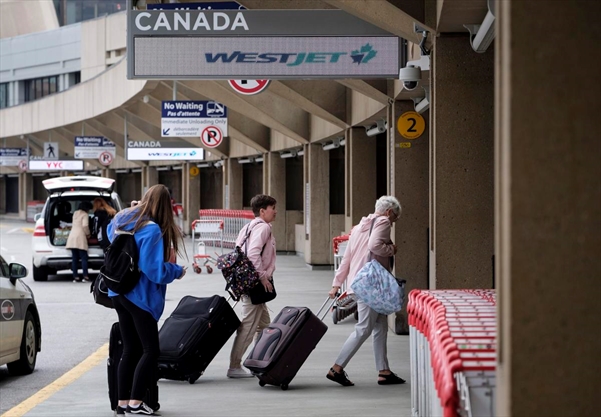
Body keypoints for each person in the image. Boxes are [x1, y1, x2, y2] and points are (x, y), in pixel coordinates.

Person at [108, 185, 186, 416]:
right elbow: (154, 272)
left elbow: (107, 235)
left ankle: (122, 403)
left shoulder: (122, 219)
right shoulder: (152, 230)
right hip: (140, 297)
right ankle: (136, 401)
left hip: (118, 292)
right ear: (166, 205)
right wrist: (176, 270)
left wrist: (131, 211)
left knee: (130, 349)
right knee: (150, 350)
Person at [326, 195, 405, 387]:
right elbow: (375, 246)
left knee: (380, 325)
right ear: (388, 212)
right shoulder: (383, 222)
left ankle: (384, 371)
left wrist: (337, 283)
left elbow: (347, 258)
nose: (393, 222)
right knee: (364, 328)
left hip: (359, 282)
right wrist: (391, 250)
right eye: (395, 217)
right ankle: (337, 368)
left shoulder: (360, 226)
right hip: (371, 285)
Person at [227, 194, 277, 378]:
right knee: (248, 326)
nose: (275, 211)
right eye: (272, 208)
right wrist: (263, 277)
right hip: (255, 283)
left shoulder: (249, 226)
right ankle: (234, 366)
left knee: (264, 325)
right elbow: (253, 253)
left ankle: (257, 361)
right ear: (262, 211)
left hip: (247, 281)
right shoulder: (262, 228)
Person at [65, 201, 93, 283]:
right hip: (80, 237)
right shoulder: (84, 214)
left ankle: (75, 277)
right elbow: (85, 225)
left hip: (72, 236)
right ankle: (85, 276)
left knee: (75, 258)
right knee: (84, 258)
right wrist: (88, 234)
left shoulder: (75, 213)